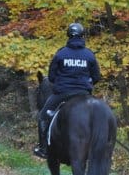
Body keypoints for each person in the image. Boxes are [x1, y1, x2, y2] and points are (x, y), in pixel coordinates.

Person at [34, 22, 101, 159]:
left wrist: (61, 83)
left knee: (43, 116)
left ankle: (43, 149)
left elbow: (51, 77)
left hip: (63, 93)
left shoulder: (61, 54)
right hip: (83, 94)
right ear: (82, 35)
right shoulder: (89, 55)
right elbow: (96, 77)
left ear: (68, 35)